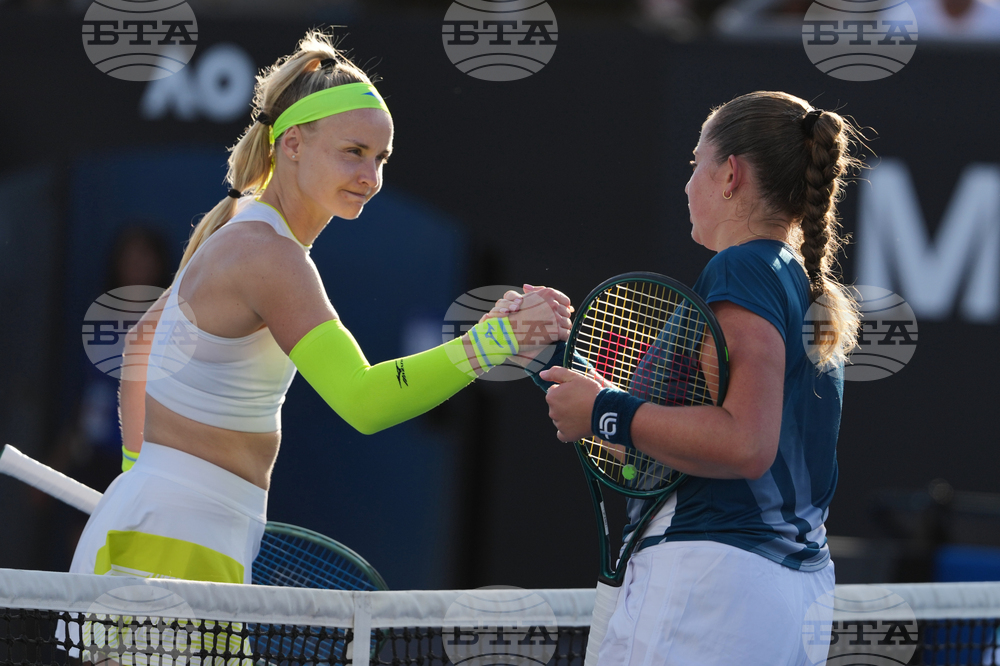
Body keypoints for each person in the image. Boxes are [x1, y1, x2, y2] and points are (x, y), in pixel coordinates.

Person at [68, 31, 572, 585]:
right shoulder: (270, 255)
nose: (370, 177)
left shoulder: (243, 229)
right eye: (353, 152)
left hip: (166, 526)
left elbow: (141, 342)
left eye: (380, 158)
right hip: (175, 539)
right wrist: (494, 342)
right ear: (292, 145)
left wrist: (139, 472)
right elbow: (363, 401)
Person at [523, 91, 865, 664]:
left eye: (695, 163)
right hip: (782, 593)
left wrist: (604, 410)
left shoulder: (744, 268)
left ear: (730, 174)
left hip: (712, 583)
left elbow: (745, 443)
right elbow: (674, 440)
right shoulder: (797, 282)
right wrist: (560, 363)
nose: (687, 185)